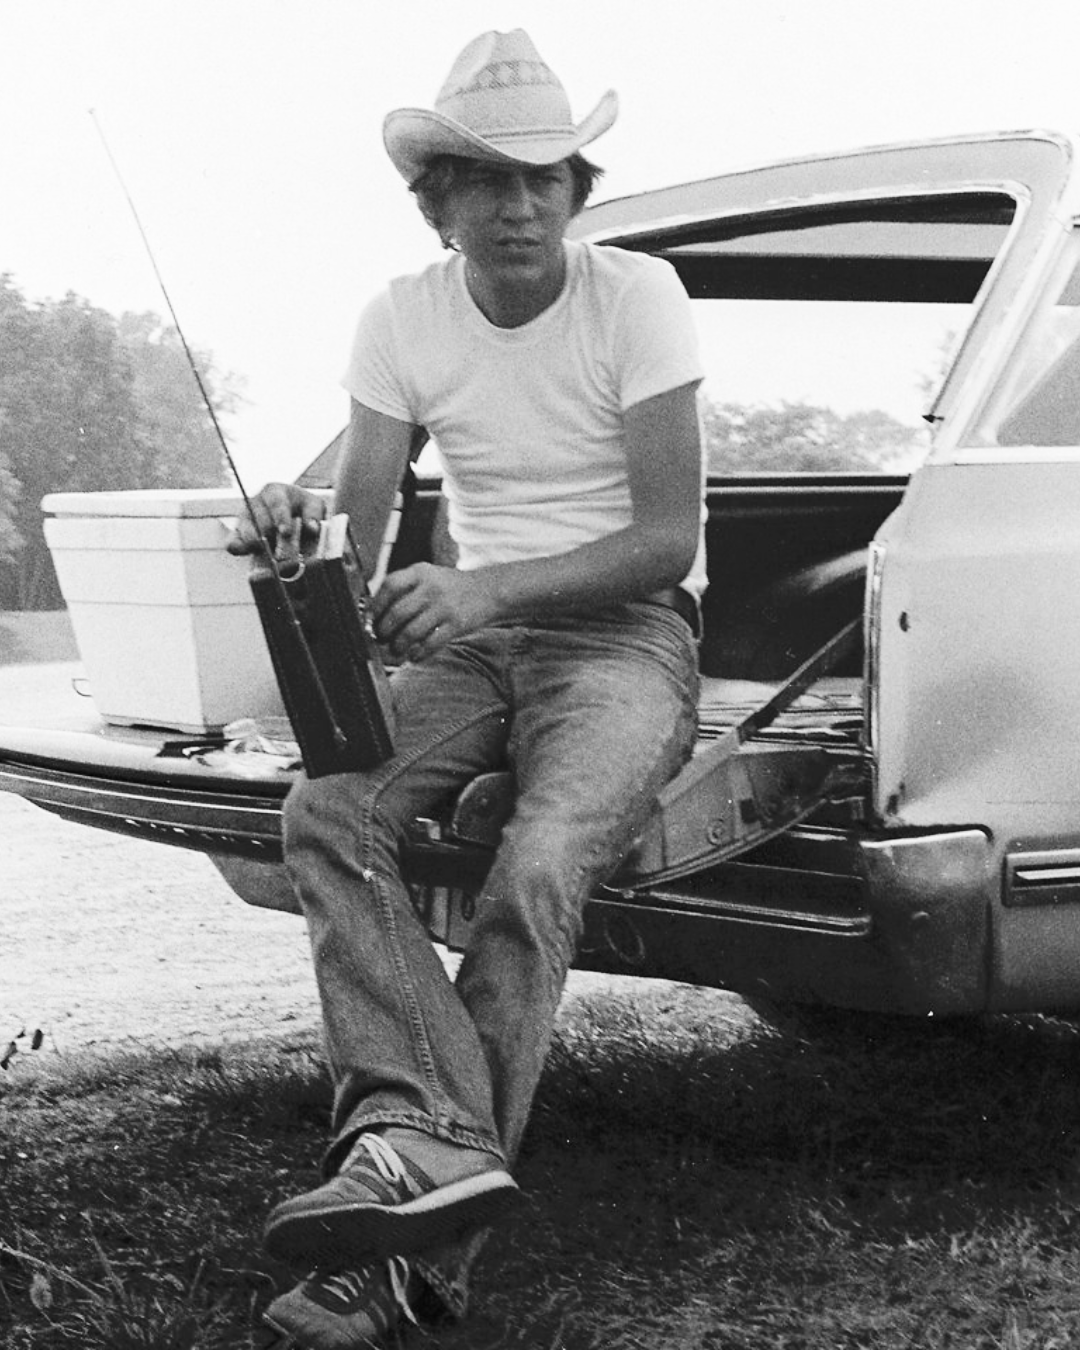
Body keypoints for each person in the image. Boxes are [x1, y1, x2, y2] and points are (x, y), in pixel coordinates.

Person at [230, 27, 706, 1349]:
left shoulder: (640, 298)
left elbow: (668, 538)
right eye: (486, 181)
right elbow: (360, 526)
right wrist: (298, 524)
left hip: (630, 640)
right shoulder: (400, 317)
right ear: (438, 201)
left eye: (544, 179)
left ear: (578, 192)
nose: (517, 206)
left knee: (540, 860)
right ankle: (425, 1144)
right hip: (480, 653)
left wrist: (484, 590)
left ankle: (399, 1249)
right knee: (324, 810)